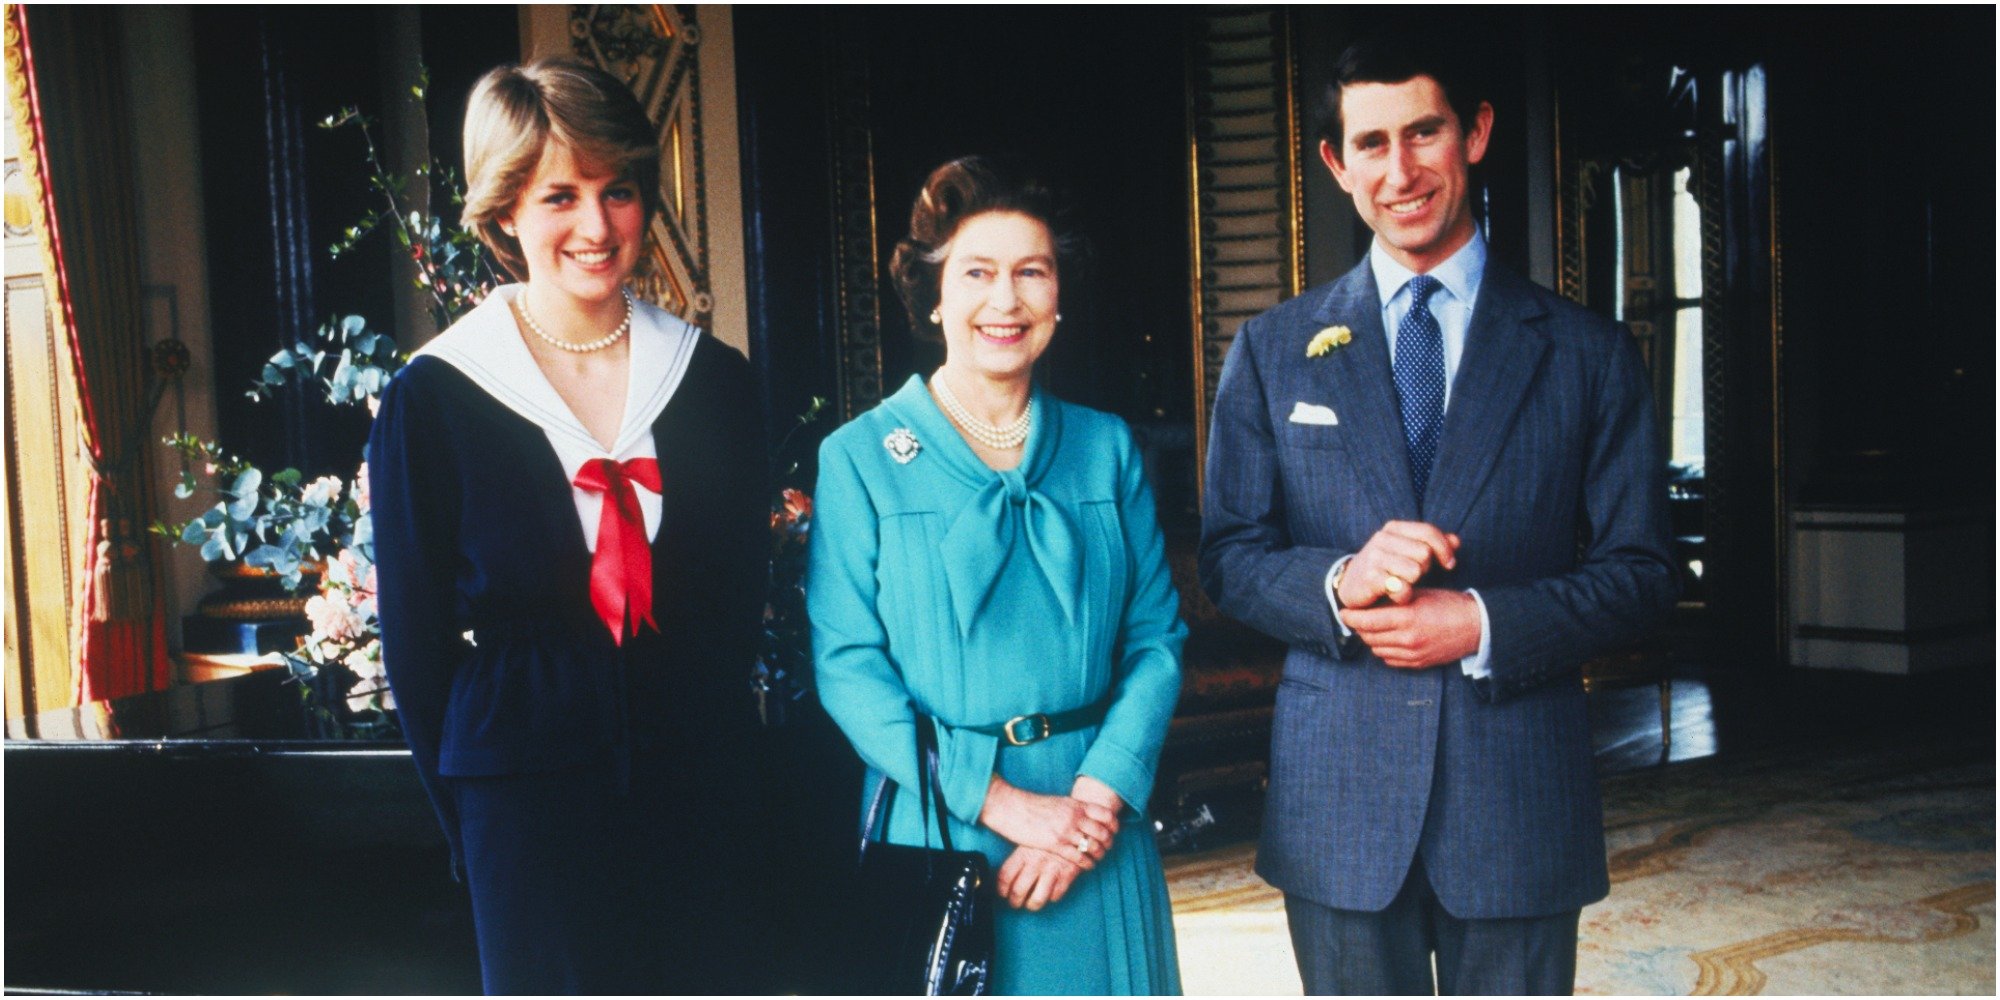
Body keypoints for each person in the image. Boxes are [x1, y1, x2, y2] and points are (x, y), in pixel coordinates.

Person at [1197, 32, 1677, 996]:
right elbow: (1232, 557)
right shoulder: (1274, 348)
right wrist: (1337, 580)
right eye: (1371, 143)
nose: (1401, 170)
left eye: (1425, 132)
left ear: (1477, 134)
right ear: (1337, 164)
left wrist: (1482, 621)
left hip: (1516, 797)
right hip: (1336, 805)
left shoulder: (1586, 353)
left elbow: (1646, 573)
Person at [370, 58, 769, 994]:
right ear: (504, 210)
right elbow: (415, 650)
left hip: (696, 785)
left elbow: (737, 608)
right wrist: (471, 820)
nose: (596, 228)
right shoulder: (436, 396)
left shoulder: (712, 382)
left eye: (618, 191)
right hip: (523, 800)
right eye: (560, 196)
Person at [808, 156, 1185, 995]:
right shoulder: (862, 459)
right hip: (941, 827)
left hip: (1098, 824)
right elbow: (846, 666)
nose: (1005, 300)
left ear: (1059, 298)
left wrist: (1095, 803)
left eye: (1032, 273)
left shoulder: (1106, 447)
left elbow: (1157, 639)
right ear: (934, 296)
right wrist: (1005, 805)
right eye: (977, 273)